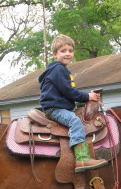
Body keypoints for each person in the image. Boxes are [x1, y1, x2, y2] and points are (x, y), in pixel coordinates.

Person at [38, 34, 108, 173]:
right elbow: (69, 92)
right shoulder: (58, 69)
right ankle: (82, 158)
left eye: (70, 50)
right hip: (55, 109)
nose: (68, 54)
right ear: (54, 54)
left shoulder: (61, 69)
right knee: (75, 122)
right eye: (63, 51)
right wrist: (87, 96)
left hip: (59, 107)